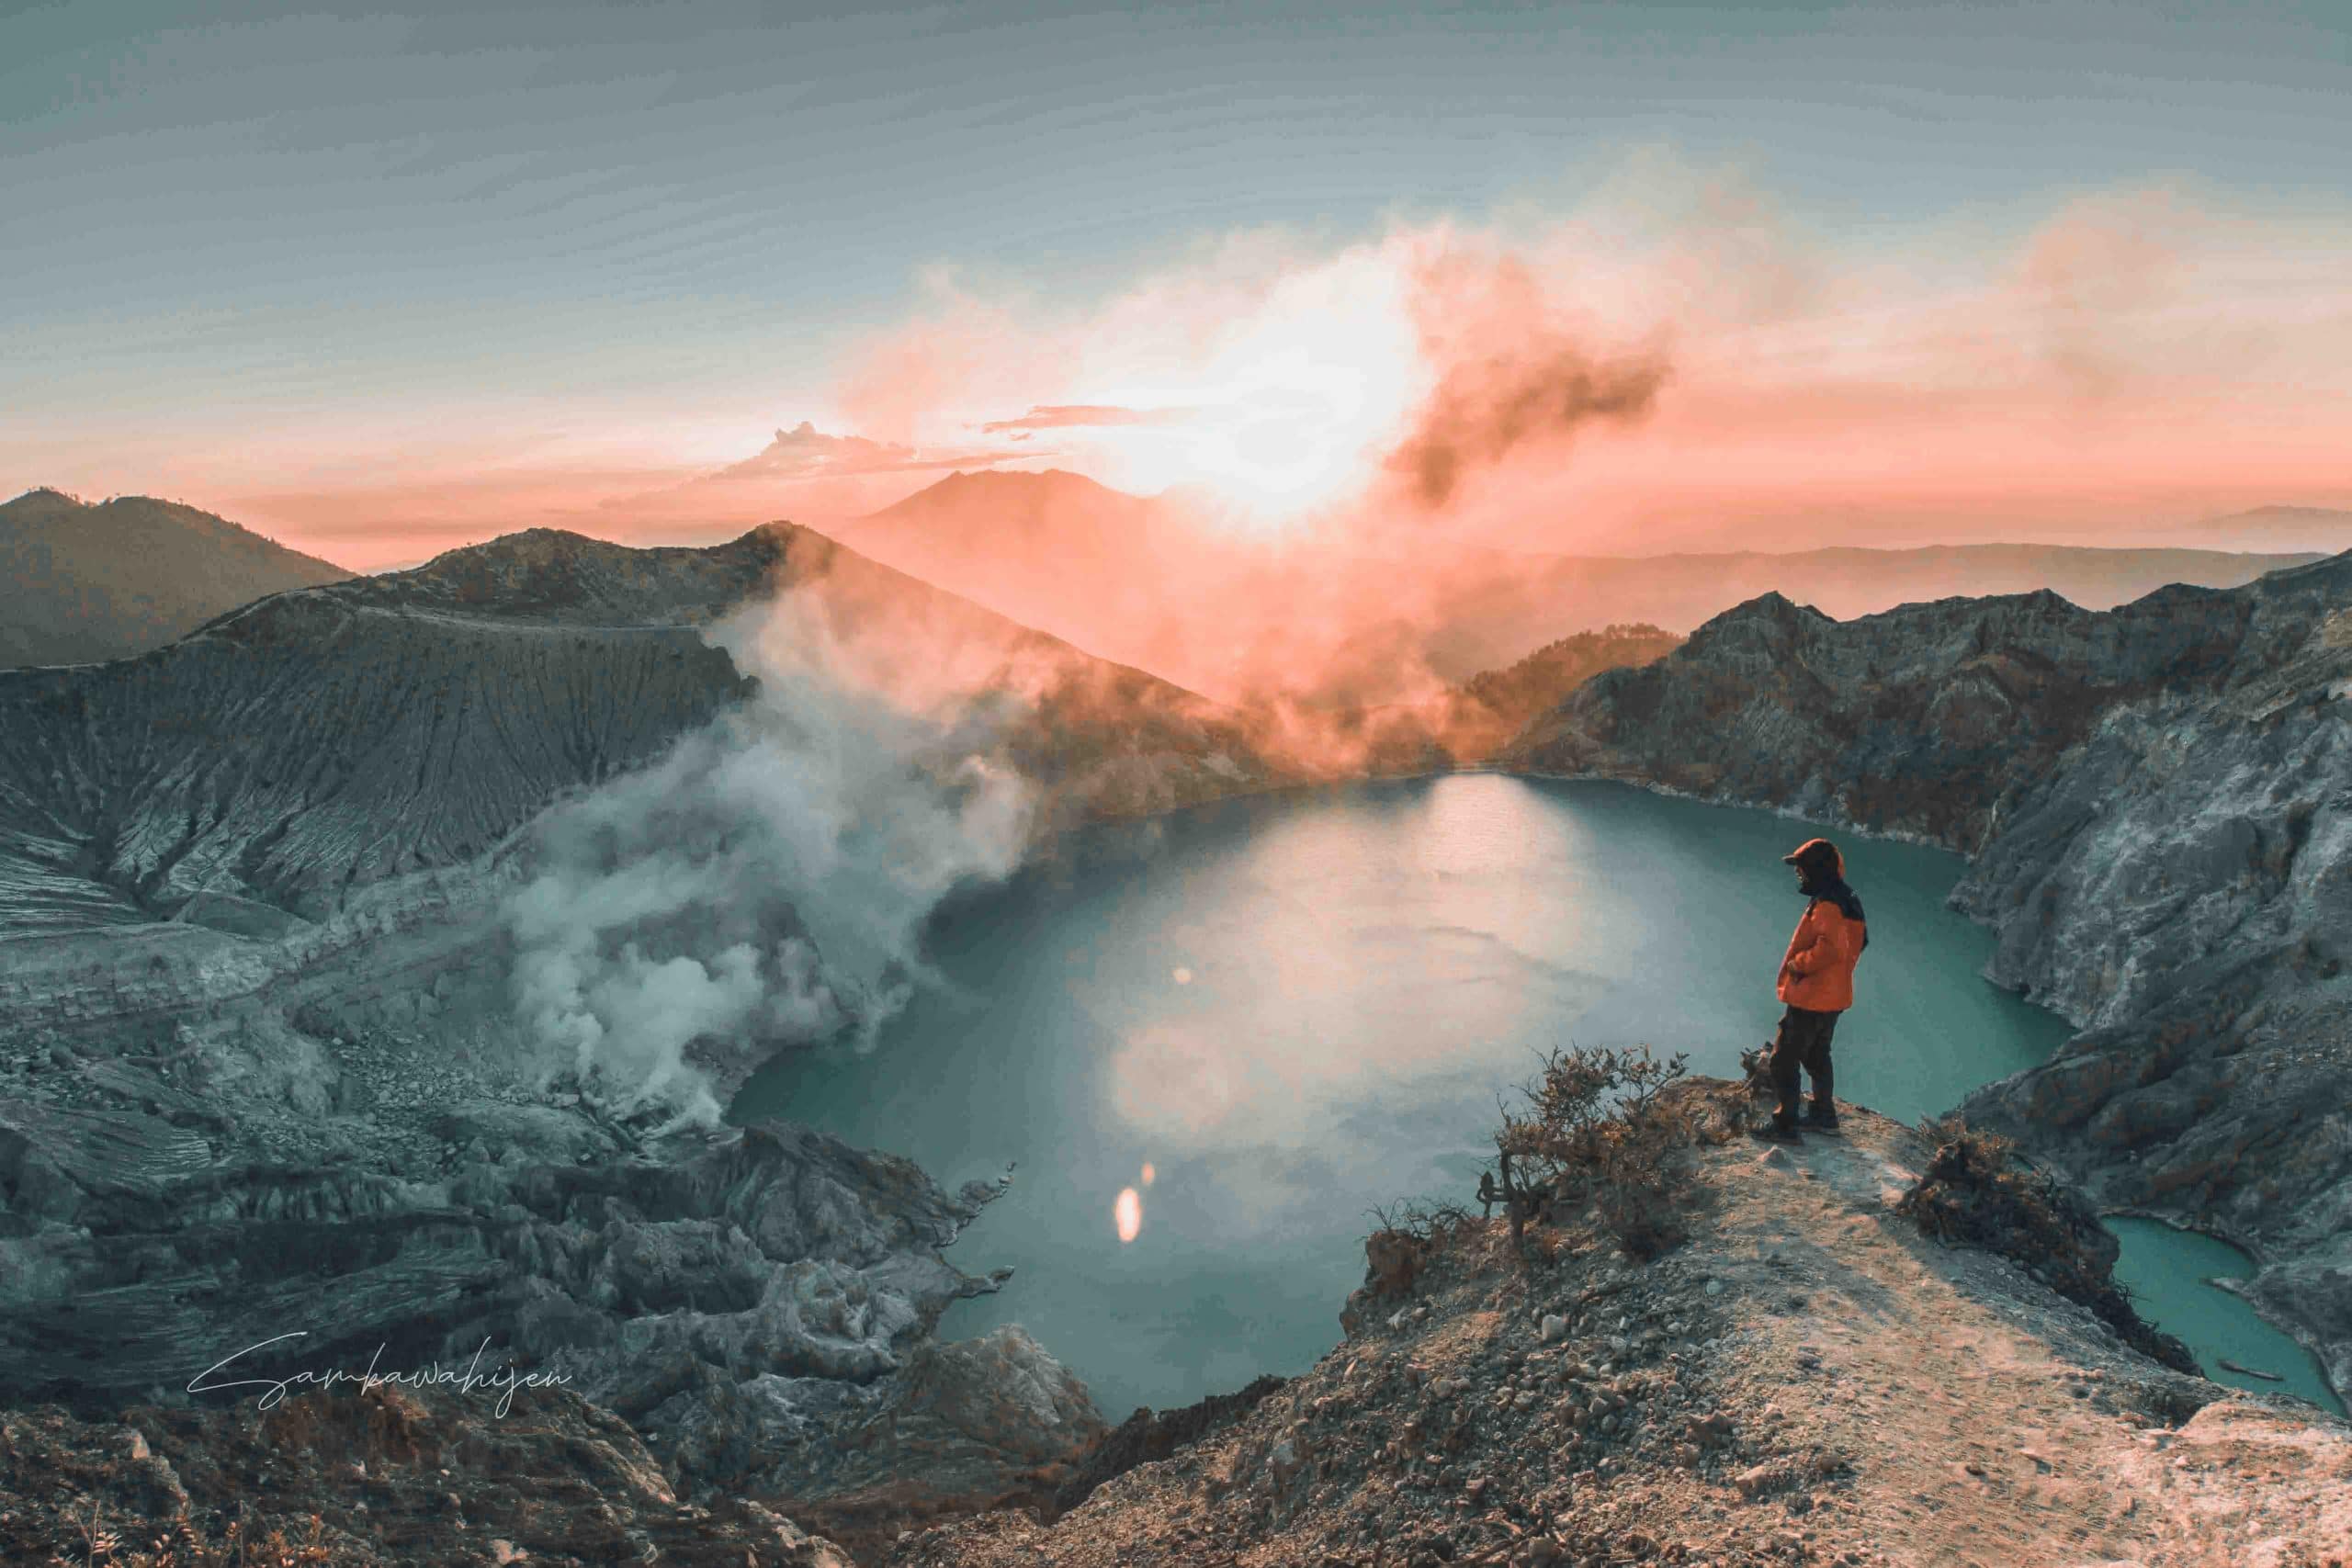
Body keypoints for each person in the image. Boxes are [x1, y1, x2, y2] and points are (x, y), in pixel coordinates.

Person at [1758, 837, 1867, 1142]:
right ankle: (1823, 1115)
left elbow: (1830, 948)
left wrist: (1798, 965)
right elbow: (1858, 944)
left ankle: (1786, 1125)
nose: (1799, 874)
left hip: (1813, 996)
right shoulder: (1847, 898)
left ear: (1817, 869)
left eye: (1802, 867)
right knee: (1818, 1055)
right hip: (1833, 996)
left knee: (1783, 1060)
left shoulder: (1829, 903)